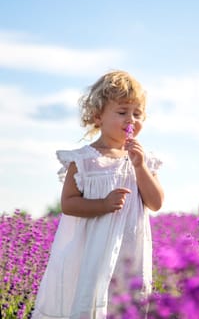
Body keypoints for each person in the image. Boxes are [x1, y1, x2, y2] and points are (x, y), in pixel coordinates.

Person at [32, 70, 164, 319]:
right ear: (98, 117)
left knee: (125, 305)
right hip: (90, 251)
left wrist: (140, 166)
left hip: (129, 254)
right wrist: (103, 204)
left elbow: (155, 203)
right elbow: (68, 204)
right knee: (88, 300)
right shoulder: (83, 161)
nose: (131, 120)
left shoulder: (144, 161)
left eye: (137, 113)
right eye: (122, 112)